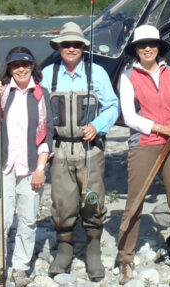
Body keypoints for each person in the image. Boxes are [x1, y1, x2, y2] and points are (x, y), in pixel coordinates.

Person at [115, 25, 170, 284]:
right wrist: (161, 128)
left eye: (152, 44)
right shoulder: (128, 76)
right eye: (142, 45)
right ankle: (126, 258)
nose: (147, 48)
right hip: (143, 143)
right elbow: (129, 117)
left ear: (159, 47)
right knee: (135, 201)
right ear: (136, 50)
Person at [39, 22, 119, 281]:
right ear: (59, 48)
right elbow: (38, 111)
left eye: (76, 45)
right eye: (66, 45)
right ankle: (65, 248)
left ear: (83, 48)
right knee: (62, 202)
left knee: (93, 199)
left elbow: (112, 106)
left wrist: (98, 126)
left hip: (90, 149)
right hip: (60, 149)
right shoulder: (47, 74)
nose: (71, 49)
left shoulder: (97, 73)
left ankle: (93, 247)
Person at [0, 46, 55, 285]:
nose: (21, 69)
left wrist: (40, 169)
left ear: (33, 67)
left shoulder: (42, 94)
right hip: (0, 165)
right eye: (15, 65)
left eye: (25, 64)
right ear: (9, 68)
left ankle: (20, 266)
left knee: (28, 219)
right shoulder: (1, 92)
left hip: (31, 166)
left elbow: (47, 134)